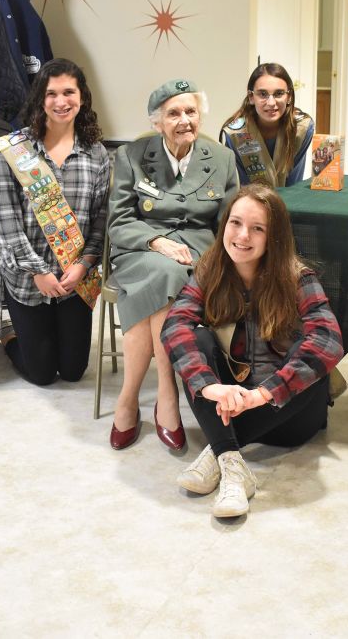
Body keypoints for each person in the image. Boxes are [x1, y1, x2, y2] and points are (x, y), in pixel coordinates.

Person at [161, 184, 344, 518]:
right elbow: (175, 325)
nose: (243, 235)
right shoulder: (210, 270)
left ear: (274, 236)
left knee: (312, 356)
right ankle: (233, 464)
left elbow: (329, 339)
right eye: (235, 223)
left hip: (290, 417)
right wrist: (209, 386)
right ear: (224, 225)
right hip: (234, 402)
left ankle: (219, 449)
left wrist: (263, 394)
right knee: (195, 342)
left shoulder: (297, 276)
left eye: (257, 228)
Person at [106, 79, 239, 451]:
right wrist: (157, 241)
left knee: (170, 275)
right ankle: (167, 393)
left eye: (191, 111)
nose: (184, 120)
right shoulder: (132, 155)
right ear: (157, 122)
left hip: (197, 254)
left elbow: (228, 222)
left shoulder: (222, 159)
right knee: (166, 273)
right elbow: (118, 222)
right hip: (139, 248)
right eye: (174, 113)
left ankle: (128, 399)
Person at [0, 59, 109, 386]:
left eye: (69, 92)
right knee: (41, 374)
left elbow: (101, 220)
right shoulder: (13, 151)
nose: (61, 101)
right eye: (51, 93)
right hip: (29, 279)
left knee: (72, 371)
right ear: (40, 99)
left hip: (75, 278)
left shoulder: (96, 154)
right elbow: (6, 224)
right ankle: (10, 334)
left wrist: (84, 264)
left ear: (81, 97)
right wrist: (38, 271)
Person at [219, 63, 313, 187]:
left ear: (289, 97)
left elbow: (294, 182)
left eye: (279, 93)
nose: (271, 103)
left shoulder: (302, 128)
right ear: (251, 97)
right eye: (263, 94)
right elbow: (241, 186)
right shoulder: (235, 134)